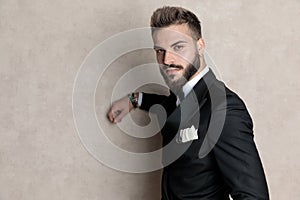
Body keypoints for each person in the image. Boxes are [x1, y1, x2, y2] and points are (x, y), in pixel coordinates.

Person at [107, 6, 269, 200]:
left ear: (200, 46)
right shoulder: (180, 95)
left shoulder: (224, 109)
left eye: (178, 47)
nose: (167, 59)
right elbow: (168, 106)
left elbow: (254, 196)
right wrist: (135, 99)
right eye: (160, 50)